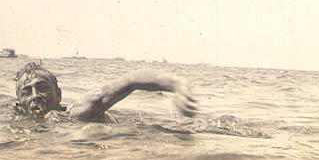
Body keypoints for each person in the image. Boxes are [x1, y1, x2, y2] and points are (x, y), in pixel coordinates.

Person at [14, 62, 198, 122]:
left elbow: (131, 80)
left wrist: (178, 85)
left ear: (59, 95)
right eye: (26, 92)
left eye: (42, 88)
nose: (36, 96)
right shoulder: (19, 123)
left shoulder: (78, 112)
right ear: (19, 103)